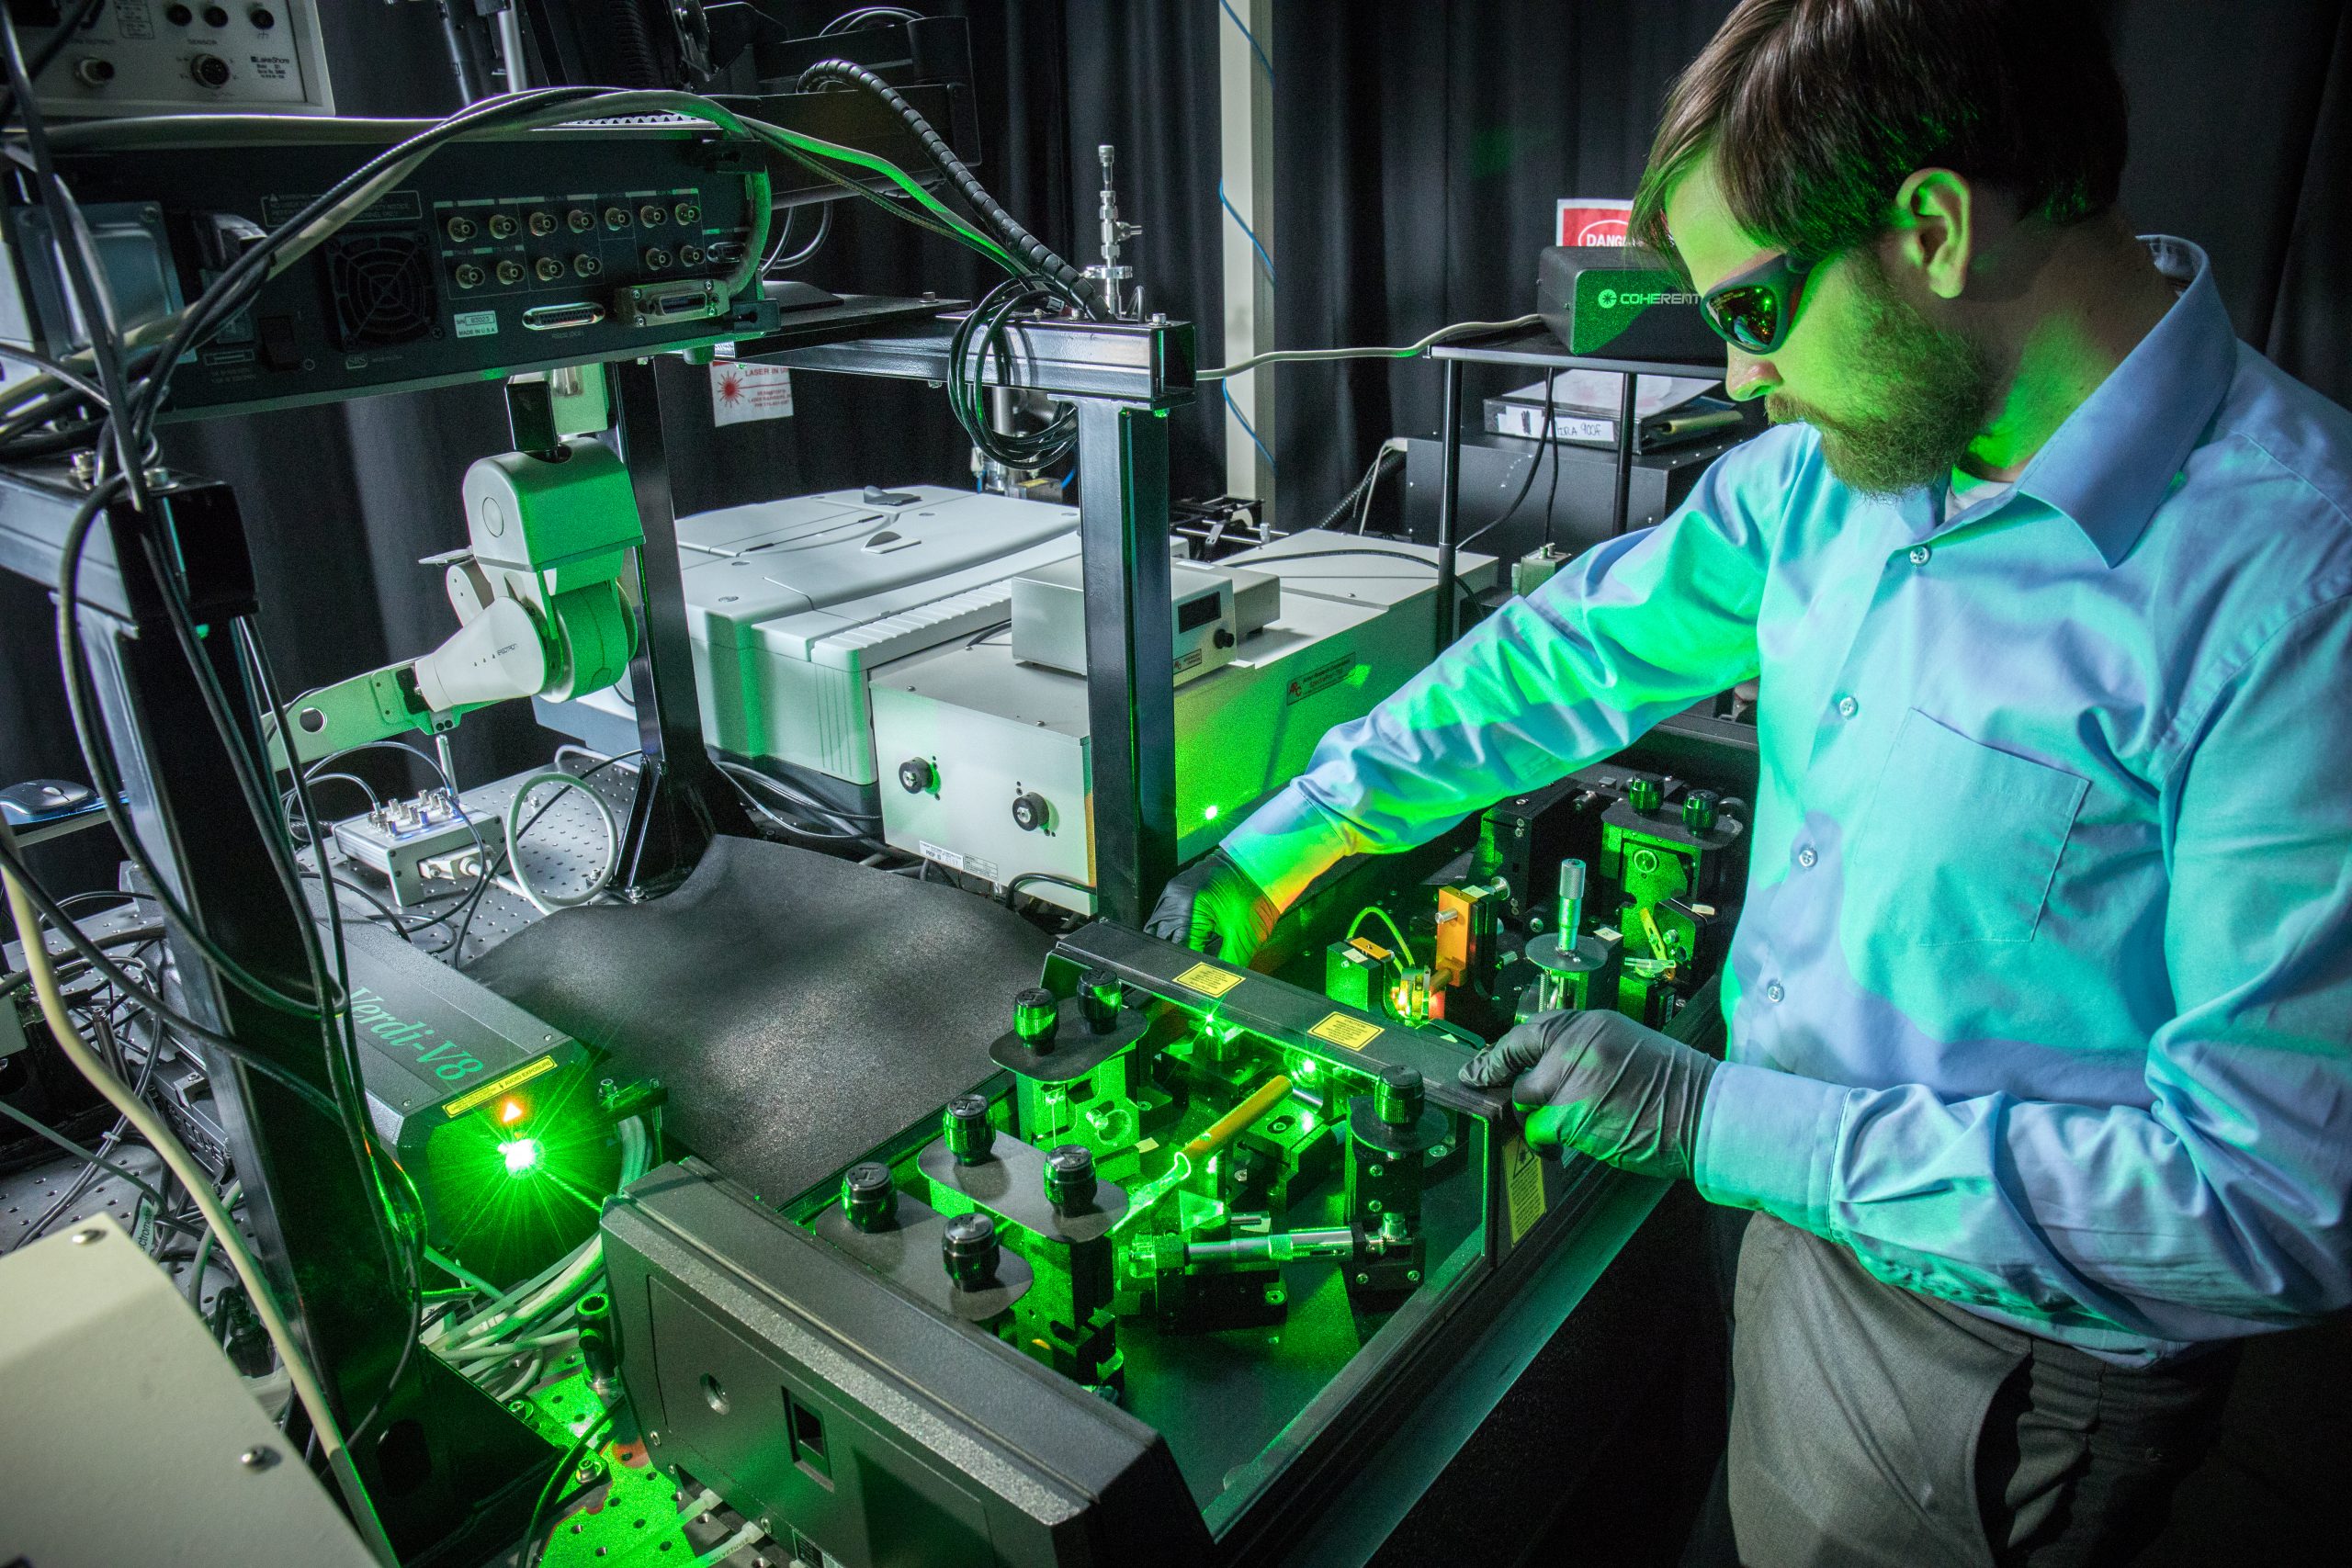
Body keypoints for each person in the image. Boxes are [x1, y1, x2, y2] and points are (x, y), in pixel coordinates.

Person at [1148, 0, 2352, 1562]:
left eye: (1759, 306)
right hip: (1791, 1227)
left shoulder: (2299, 591)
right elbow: (1567, 656)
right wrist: (1293, 837)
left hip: (1990, 1356)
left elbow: (2271, 1203)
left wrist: (1721, 1121)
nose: (1740, 371)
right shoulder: (1836, 476)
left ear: (1933, 229)